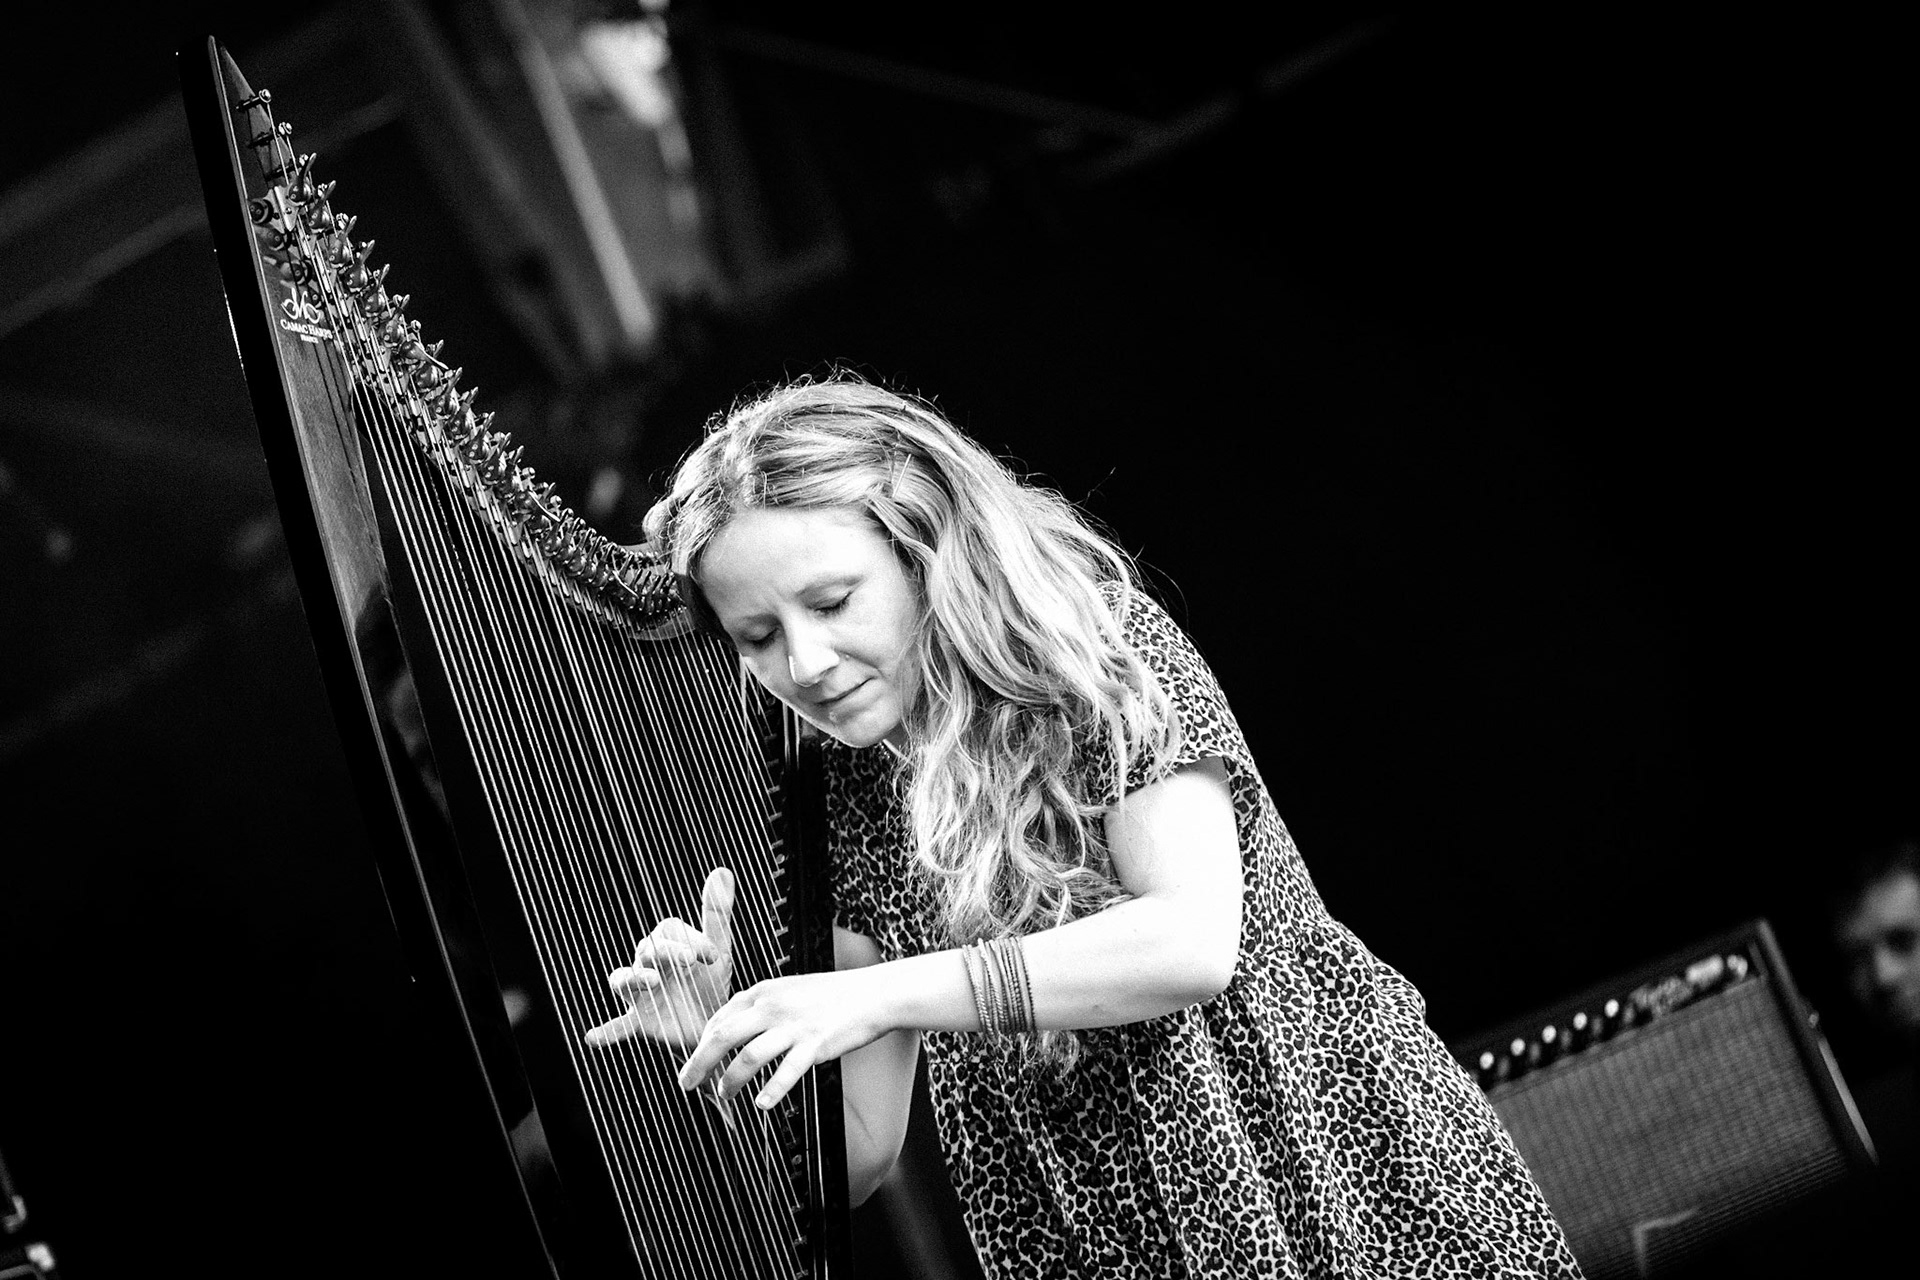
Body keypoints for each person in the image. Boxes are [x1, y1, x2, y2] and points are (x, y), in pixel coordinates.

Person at [585, 375, 1583, 1278]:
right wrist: (740, 1039)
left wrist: (877, 992)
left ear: (923, 541)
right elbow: (861, 1152)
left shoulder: (1089, 650)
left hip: (1315, 1163)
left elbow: (1192, 943)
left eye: (833, 600)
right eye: (759, 636)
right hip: (1077, 1234)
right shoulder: (837, 789)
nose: (803, 661)